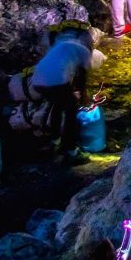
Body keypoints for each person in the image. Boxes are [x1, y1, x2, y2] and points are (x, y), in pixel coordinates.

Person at [28, 21, 99, 158]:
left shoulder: (61, 44)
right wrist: (83, 96)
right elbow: (81, 77)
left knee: (58, 104)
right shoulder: (84, 51)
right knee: (72, 110)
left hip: (36, 80)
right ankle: (71, 150)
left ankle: (55, 139)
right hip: (55, 80)